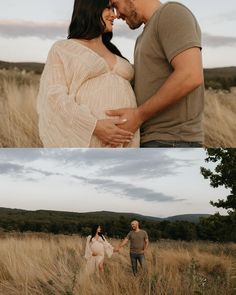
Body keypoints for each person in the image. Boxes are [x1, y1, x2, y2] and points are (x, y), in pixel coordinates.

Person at [37, 0, 139, 148]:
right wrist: (95, 126)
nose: (114, 15)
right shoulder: (63, 49)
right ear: (91, 8)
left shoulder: (115, 53)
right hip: (90, 139)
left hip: (126, 139)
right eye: (108, 8)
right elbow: (54, 96)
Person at [108, 0, 205, 147]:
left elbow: (190, 75)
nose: (116, 15)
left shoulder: (171, 13)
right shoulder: (142, 38)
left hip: (174, 140)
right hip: (152, 139)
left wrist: (138, 116)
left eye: (115, 5)